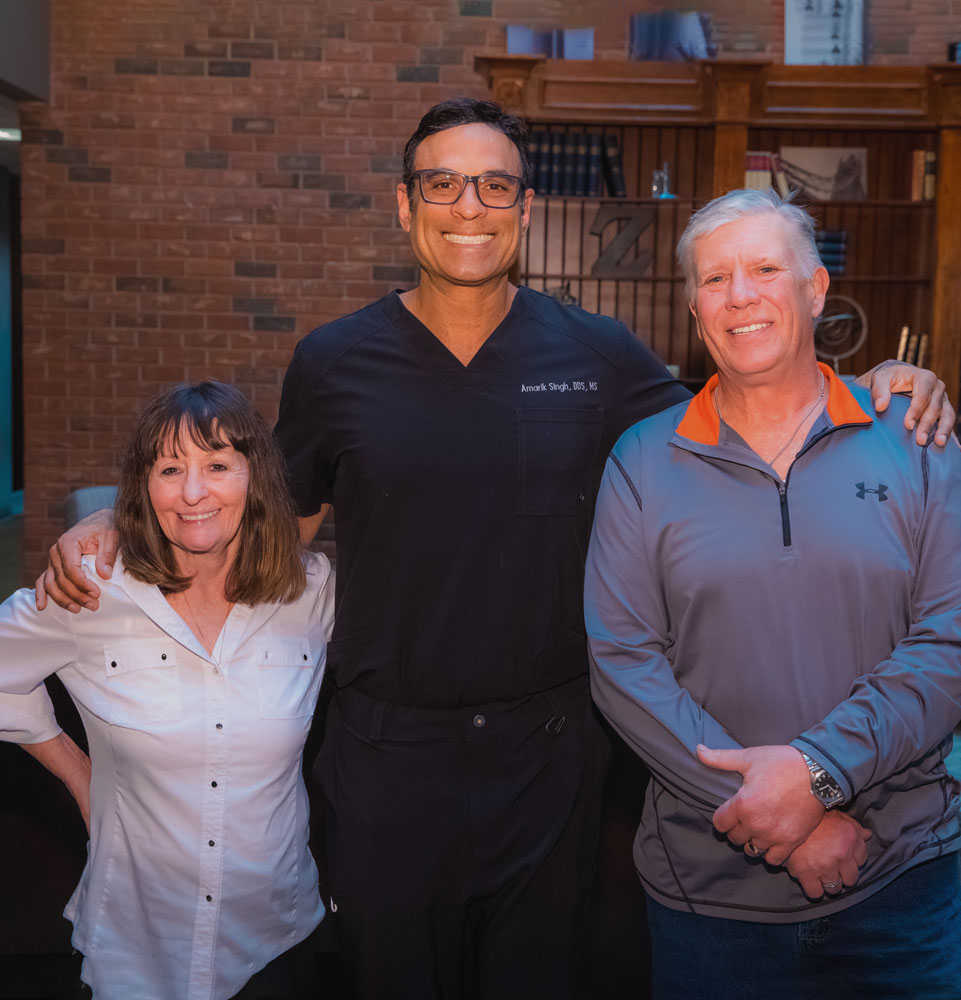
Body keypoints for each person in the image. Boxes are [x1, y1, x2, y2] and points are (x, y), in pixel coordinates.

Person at [37, 101, 955, 1000]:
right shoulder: (335, 359)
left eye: (492, 185)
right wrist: (113, 523)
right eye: (441, 183)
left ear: (524, 207)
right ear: (405, 204)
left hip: (550, 759)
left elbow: (739, 405)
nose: (466, 205)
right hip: (384, 753)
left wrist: (873, 385)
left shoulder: (595, 352)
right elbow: (269, 508)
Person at [585, 187, 961, 999]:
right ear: (693, 309)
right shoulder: (642, 462)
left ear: (814, 289)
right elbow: (623, 663)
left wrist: (820, 773)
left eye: (763, 268)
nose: (741, 295)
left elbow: (948, 640)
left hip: (902, 884)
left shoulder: (915, 439)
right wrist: (779, 818)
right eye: (715, 279)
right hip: (707, 903)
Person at [0, 380, 335, 1000]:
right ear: (142, 486)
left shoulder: (310, 594)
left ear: (254, 478)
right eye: (169, 468)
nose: (193, 492)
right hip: (138, 951)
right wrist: (76, 770)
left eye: (217, 465)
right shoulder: (93, 591)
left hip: (278, 945)